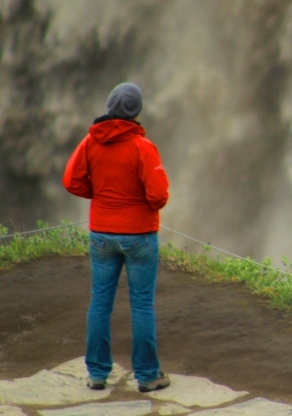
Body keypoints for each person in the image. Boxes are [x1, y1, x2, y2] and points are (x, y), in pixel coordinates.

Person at [62, 83, 171, 393]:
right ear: (136, 111)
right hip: (139, 236)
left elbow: (72, 181)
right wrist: (139, 205)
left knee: (99, 303)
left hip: (101, 235)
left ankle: (96, 374)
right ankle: (148, 376)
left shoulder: (90, 142)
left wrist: (100, 196)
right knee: (141, 307)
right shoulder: (142, 147)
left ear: (109, 106)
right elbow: (159, 195)